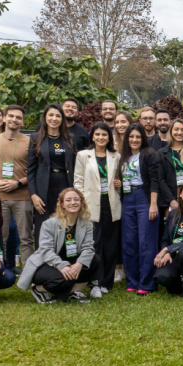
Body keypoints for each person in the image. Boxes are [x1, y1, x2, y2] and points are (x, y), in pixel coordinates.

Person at [17, 187, 97, 304]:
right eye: (68, 200)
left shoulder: (87, 224)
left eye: (76, 199)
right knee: (63, 279)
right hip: (46, 263)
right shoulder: (49, 224)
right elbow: (46, 251)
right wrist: (62, 266)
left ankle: (74, 291)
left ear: (81, 202)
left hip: (72, 262)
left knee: (94, 260)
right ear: (62, 204)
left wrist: (79, 264)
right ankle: (40, 289)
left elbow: (88, 248)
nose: (73, 202)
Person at [0, 104, 33, 270]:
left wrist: (18, 183)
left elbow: (35, 171)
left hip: (23, 197)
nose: (14, 120)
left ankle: (29, 273)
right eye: (11, 116)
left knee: (26, 238)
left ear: (22, 122)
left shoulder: (30, 142)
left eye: (18, 117)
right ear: (4, 118)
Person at [73, 121, 121, 297]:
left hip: (111, 205)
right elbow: (78, 181)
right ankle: (95, 282)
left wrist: (120, 184)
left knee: (110, 245)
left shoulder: (116, 156)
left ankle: (107, 282)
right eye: (98, 134)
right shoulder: (83, 155)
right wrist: (80, 203)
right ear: (92, 136)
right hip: (91, 204)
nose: (101, 137)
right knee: (94, 244)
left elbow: (121, 181)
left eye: (104, 134)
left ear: (109, 137)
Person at [118, 123, 162, 294]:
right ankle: (132, 281)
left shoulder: (149, 153)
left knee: (146, 241)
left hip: (145, 198)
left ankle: (147, 283)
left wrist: (153, 204)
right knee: (129, 241)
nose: (134, 140)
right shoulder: (124, 155)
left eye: (137, 136)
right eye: (131, 136)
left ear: (142, 138)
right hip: (127, 198)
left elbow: (155, 180)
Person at [27, 104, 78, 244]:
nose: (54, 119)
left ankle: (66, 255)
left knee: (66, 224)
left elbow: (75, 165)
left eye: (58, 116)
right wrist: (33, 195)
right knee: (44, 226)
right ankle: (43, 256)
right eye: (51, 115)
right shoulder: (35, 138)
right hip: (44, 190)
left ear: (62, 119)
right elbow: (31, 170)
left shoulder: (70, 138)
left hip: (65, 186)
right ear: (45, 117)